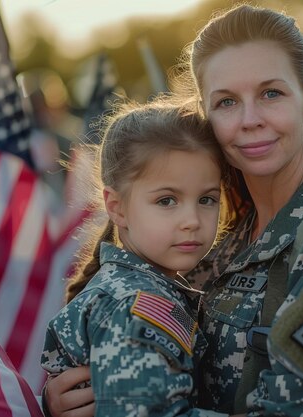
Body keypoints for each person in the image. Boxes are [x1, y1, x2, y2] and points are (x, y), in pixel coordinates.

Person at [44, 4, 303, 416]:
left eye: (270, 93)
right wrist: (76, 396)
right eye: (226, 102)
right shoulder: (218, 240)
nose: (250, 119)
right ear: (206, 112)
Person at [40, 98, 243, 417]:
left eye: (207, 199)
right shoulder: (133, 307)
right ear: (117, 207)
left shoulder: (150, 284)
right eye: (166, 200)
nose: (192, 219)